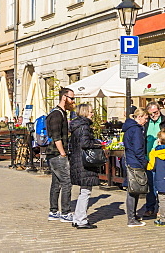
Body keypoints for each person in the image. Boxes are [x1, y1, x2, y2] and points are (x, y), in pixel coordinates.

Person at [67, 103, 101, 230]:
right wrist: (97, 143)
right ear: (86, 112)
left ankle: (77, 218)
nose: (93, 114)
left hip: (77, 160)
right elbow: (85, 143)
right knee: (86, 191)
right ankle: (81, 219)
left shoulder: (77, 125)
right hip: (84, 162)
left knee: (83, 191)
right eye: (91, 112)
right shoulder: (84, 126)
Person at [142, 102, 165, 218]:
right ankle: (150, 208)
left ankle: (162, 209)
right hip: (149, 158)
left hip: (163, 159)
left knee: (161, 186)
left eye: (155, 112)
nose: (153, 115)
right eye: (151, 114)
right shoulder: (146, 123)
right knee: (151, 185)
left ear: (159, 110)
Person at [45, 88, 75, 223]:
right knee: (67, 182)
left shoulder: (61, 113)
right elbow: (56, 136)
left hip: (54, 154)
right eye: (71, 98)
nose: (73, 102)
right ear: (64, 97)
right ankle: (65, 212)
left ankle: (53, 211)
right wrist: (63, 153)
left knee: (56, 183)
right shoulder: (57, 114)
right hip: (56, 153)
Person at [122, 108, 149, 227]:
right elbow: (138, 149)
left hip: (129, 159)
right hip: (134, 162)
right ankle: (131, 218)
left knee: (133, 189)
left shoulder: (129, 128)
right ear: (139, 117)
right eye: (145, 118)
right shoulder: (136, 130)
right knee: (134, 190)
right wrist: (144, 162)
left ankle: (132, 215)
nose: (146, 120)